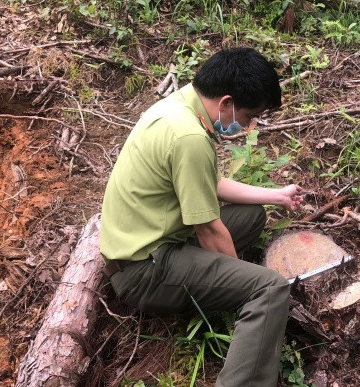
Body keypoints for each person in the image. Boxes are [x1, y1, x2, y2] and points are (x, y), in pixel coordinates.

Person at [100, 47, 303, 387]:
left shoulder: (178, 108)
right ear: (226, 102)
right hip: (142, 270)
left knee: (251, 215)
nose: (248, 125)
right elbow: (209, 228)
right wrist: (244, 281)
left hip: (148, 243)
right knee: (269, 289)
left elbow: (211, 183)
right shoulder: (189, 137)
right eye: (249, 115)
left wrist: (276, 196)